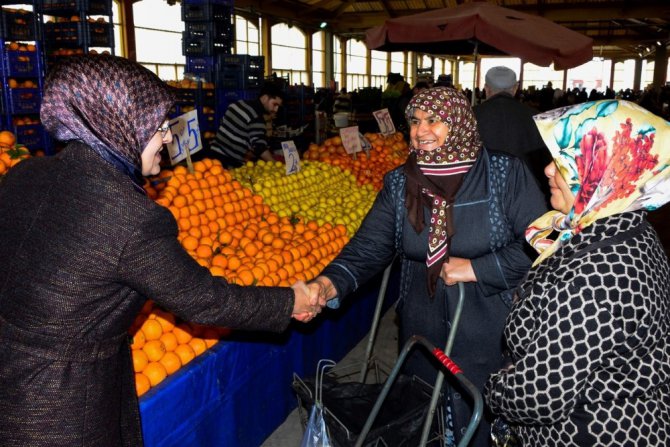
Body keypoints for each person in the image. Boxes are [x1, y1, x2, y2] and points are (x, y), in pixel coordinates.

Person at [0, 55, 320, 447]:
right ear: (116, 124)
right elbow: (205, 301)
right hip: (60, 405)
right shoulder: (130, 216)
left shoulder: (24, 174)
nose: (169, 138)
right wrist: (290, 300)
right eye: (157, 127)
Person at [311, 87, 548, 447]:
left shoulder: (504, 174)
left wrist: (478, 268)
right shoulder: (399, 182)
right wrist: (329, 284)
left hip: (490, 331)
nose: (422, 131)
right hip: (423, 329)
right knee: (429, 425)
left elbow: (543, 242)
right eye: (416, 121)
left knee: (481, 424)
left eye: (434, 120)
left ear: (459, 123)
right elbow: (369, 246)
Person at [484, 100, 670, 446]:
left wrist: (495, 388)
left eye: (565, 162)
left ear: (608, 172)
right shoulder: (625, 227)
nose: (548, 171)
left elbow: (539, 396)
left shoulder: (596, 275)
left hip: (589, 432)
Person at [473, 66, 552, 200]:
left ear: (486, 89)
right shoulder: (537, 117)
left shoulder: (470, 116)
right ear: (515, 88)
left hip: (481, 192)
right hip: (527, 193)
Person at [209, 82, 285, 168]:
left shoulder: (238, 104)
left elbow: (231, 130)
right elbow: (259, 147)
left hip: (212, 156)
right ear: (264, 98)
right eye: (275, 104)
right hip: (228, 163)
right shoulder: (256, 117)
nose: (276, 110)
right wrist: (275, 164)